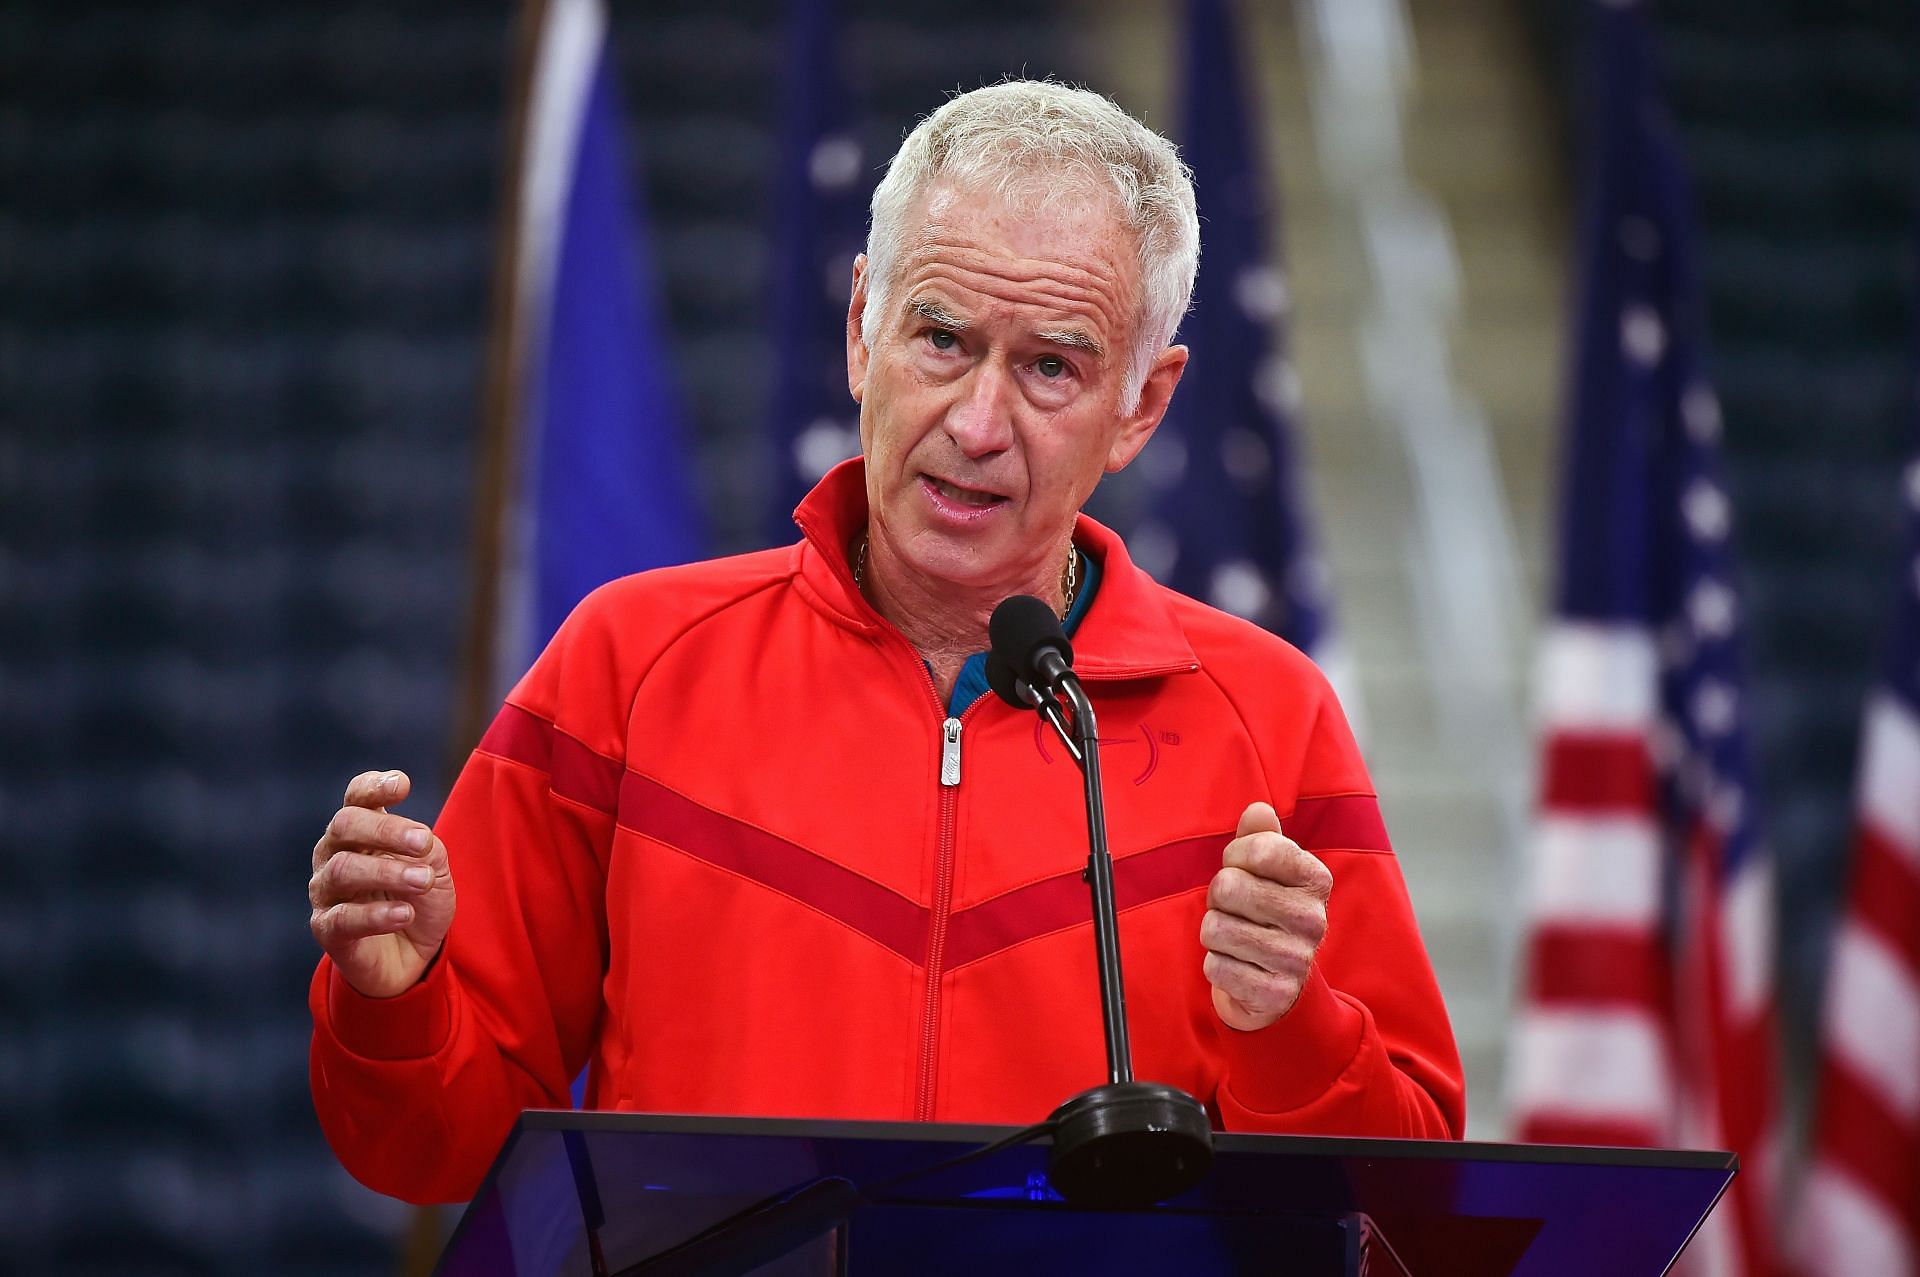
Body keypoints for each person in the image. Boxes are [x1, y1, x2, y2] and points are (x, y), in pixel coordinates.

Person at [307, 81, 1464, 1205]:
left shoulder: (1269, 717)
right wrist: (392, 1003)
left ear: (1143, 406)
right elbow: (430, 1150)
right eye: (941, 337)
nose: (975, 422)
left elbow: (1413, 1213)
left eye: (1051, 366)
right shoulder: (630, 662)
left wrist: (1291, 1029)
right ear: (863, 329)